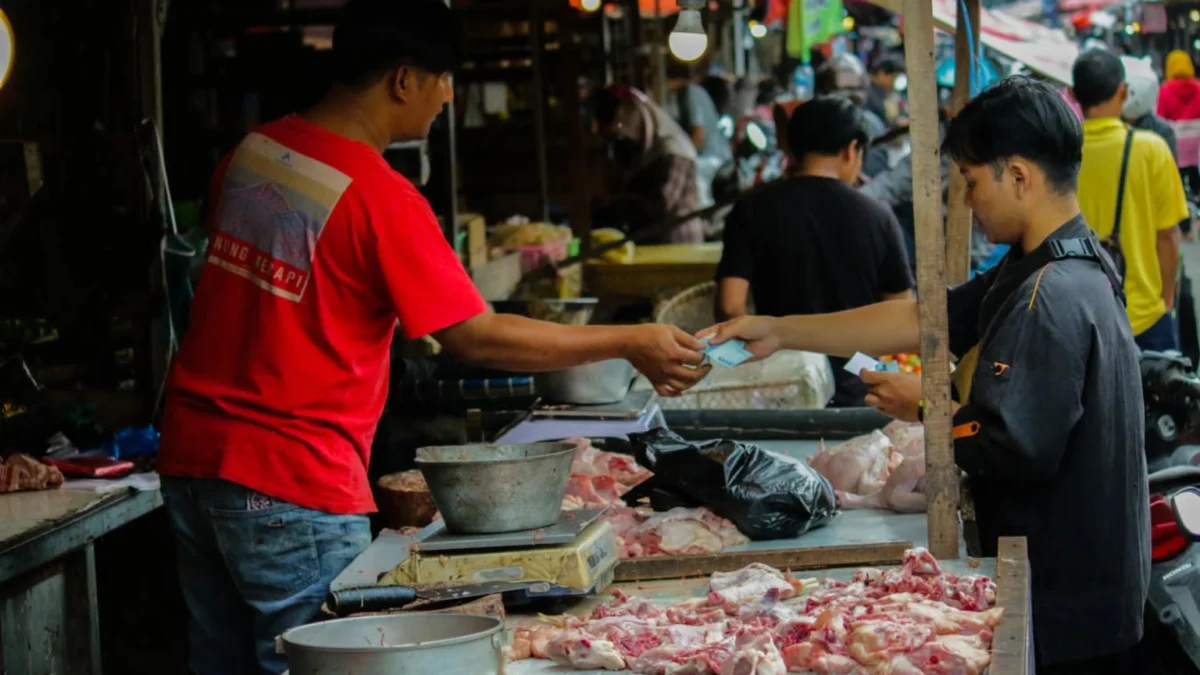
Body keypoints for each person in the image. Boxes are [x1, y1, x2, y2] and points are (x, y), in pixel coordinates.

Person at [157, 3, 709, 674]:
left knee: (218, 662)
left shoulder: (250, 154)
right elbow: (474, 337)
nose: (449, 96)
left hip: (191, 458)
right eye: (444, 78)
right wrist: (630, 339)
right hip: (289, 477)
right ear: (402, 78)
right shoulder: (378, 196)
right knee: (313, 664)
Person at [704, 76, 1148, 674]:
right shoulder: (1052, 263)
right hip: (1083, 590)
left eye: (971, 182)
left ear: (1018, 175)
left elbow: (1009, 447)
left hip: (1069, 604)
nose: (966, 202)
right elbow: (924, 317)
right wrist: (780, 330)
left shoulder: (1050, 295)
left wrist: (924, 405)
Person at [715, 96, 913, 407]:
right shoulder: (877, 215)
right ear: (851, 150)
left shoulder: (752, 208)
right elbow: (900, 311)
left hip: (777, 387)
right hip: (857, 387)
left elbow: (729, 306)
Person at [1072, 49, 1187, 352]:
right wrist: (1166, 297)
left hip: (1080, 318)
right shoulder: (1151, 149)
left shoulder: (1062, 154)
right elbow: (1168, 236)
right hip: (1144, 314)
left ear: (1073, 94)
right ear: (1122, 92)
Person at [591, 85, 705, 243]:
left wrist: (613, 203)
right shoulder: (644, 151)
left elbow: (659, 206)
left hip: (678, 243)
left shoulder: (674, 151)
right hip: (653, 243)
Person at [665, 64, 733, 209]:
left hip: (710, 158)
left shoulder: (690, 92)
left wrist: (686, 157)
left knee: (701, 204)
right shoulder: (690, 92)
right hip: (713, 156)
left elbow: (698, 132)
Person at [1157, 50, 1200, 194]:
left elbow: (1160, 116)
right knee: (1195, 176)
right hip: (1197, 141)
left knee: (1177, 179)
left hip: (1175, 140)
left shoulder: (1165, 89)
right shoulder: (1198, 87)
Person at [865, 55, 904, 125]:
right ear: (882, 74)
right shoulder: (867, 94)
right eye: (894, 77)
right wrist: (897, 123)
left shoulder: (891, 92)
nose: (894, 82)